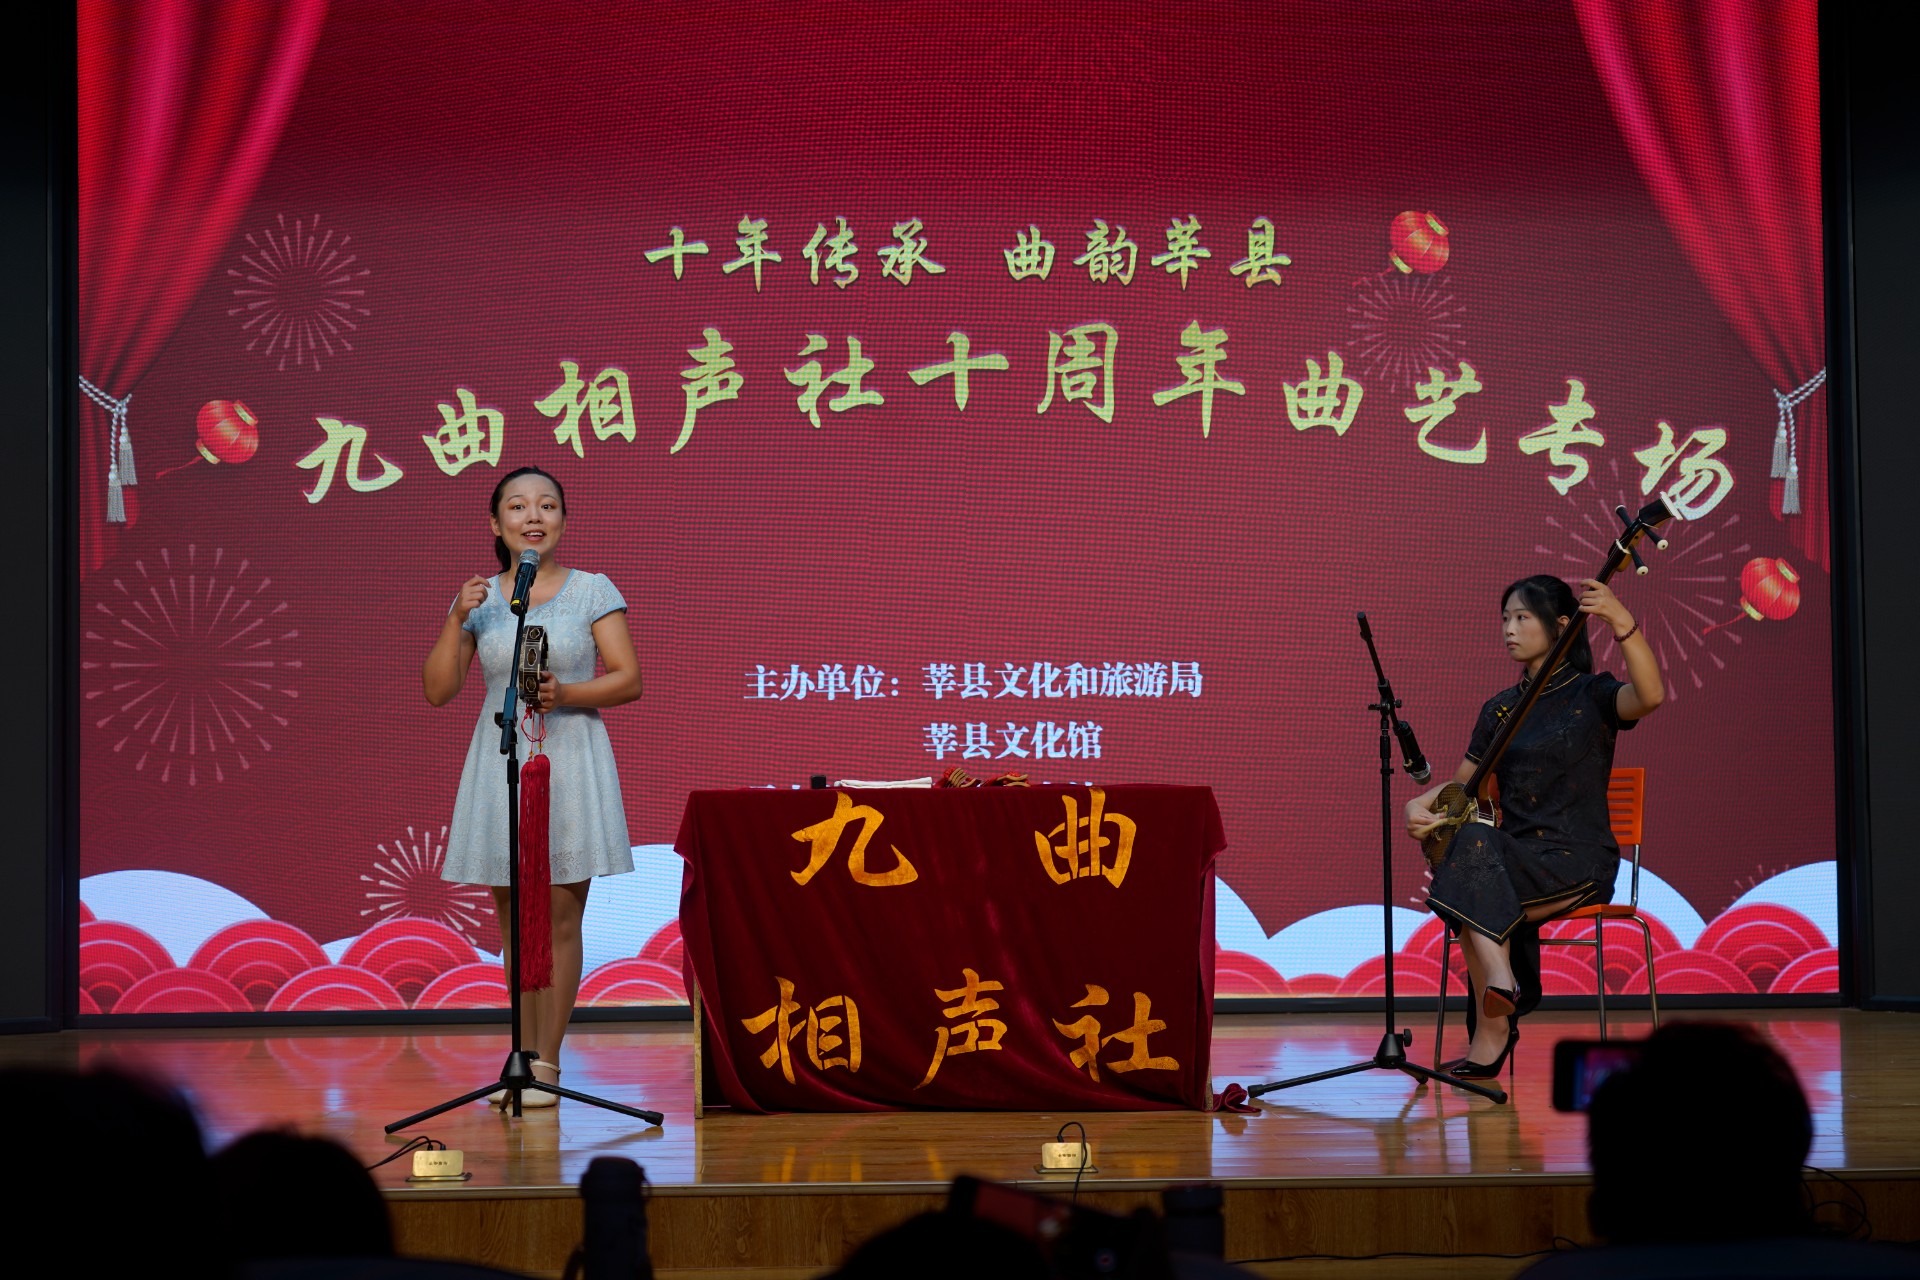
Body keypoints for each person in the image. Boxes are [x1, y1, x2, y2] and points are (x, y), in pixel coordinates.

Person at [425, 466, 642, 1107]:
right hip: (503, 762)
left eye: (547, 505)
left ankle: (547, 1062)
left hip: (570, 762)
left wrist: (565, 693)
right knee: (514, 922)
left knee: (560, 915)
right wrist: (455, 617)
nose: (533, 516)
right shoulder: (481, 600)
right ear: (496, 524)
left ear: (563, 521)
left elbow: (628, 678)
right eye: (517, 507)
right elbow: (438, 690)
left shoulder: (592, 589)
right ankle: (519, 1056)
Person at [1405, 574, 1664, 1077]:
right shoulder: (1499, 709)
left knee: (1470, 888)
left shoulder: (1593, 694)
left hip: (1577, 861)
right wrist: (1420, 803)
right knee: (1473, 851)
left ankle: (1495, 1023)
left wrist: (1620, 619)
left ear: (1561, 626)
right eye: (1505, 618)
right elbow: (1463, 788)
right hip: (1513, 861)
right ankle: (1502, 986)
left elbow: (1650, 696)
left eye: (1522, 617)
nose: (1509, 629)